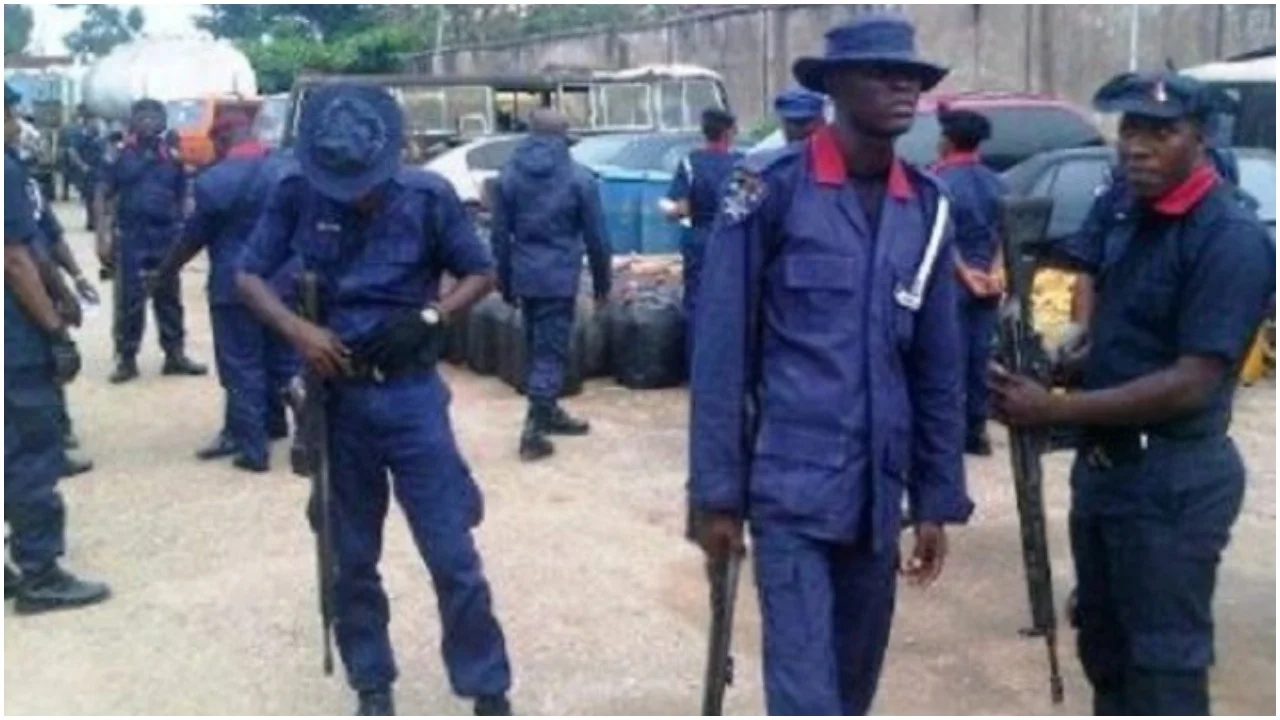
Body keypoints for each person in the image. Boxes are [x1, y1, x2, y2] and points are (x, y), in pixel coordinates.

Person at [688, 14, 972, 715]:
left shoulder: (927, 207)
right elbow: (721, 352)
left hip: (878, 500)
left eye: (911, 76)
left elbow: (938, 366)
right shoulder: (771, 188)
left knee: (851, 691)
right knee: (806, 698)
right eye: (881, 73)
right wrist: (715, 496)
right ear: (836, 87)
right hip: (790, 493)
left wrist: (935, 497)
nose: (902, 87)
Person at [991, 71, 1275, 715]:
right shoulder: (1129, 214)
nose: (1136, 147)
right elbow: (1126, 332)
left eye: (1160, 132)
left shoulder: (1229, 238)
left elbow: (1193, 382)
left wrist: (1057, 409)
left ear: (1199, 138)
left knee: (1163, 670)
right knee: (1106, 650)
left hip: (1173, 482)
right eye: (1129, 130)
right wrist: (1064, 362)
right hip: (1108, 473)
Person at [236, 84, 513, 716]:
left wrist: (435, 318)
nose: (352, 192)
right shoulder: (295, 192)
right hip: (339, 404)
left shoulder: (428, 197)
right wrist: (298, 330)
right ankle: (373, 682)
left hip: (412, 398)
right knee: (351, 557)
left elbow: (481, 271)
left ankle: (487, 686)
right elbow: (248, 276)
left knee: (452, 553)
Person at [4, 83, 110, 613]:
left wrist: (65, 286)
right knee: (30, 454)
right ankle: (39, 573)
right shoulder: (5, 172)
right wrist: (54, 331)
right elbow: (16, 258)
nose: (15, 122)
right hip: (14, 343)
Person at [154, 112, 289, 472]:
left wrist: (167, 271)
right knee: (282, 359)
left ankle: (253, 449)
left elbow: (193, 236)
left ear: (222, 138)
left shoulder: (213, 180)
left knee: (242, 365)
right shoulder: (287, 170)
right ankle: (279, 425)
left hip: (235, 285)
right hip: (283, 284)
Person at [490, 109, 612, 462]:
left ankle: (550, 411)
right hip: (559, 276)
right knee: (551, 351)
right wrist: (603, 284)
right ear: (564, 137)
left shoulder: (509, 176)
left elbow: (499, 235)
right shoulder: (579, 178)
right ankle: (533, 431)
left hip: (525, 274)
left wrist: (506, 280)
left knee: (535, 345)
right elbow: (597, 239)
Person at [96, 99, 207, 384]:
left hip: (166, 235)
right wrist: (102, 236)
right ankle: (126, 359)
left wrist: (184, 228)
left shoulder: (172, 155)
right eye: (141, 115)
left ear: (163, 122)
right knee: (129, 300)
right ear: (132, 121)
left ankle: (175, 355)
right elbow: (102, 194)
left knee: (169, 297)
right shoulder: (119, 154)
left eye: (154, 115)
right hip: (132, 236)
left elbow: (184, 195)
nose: (148, 120)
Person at [932, 108, 1007, 456]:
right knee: (980, 356)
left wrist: (965, 275)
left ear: (947, 141)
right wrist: (993, 273)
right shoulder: (999, 183)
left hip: (952, 283)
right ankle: (977, 430)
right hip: (989, 284)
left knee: (948, 357)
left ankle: (950, 432)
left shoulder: (938, 183)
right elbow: (1008, 234)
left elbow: (940, 239)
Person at [662, 108, 742, 365]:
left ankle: (696, 365)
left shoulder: (689, 162)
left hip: (697, 238)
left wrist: (668, 211)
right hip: (731, 240)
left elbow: (682, 209)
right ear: (728, 133)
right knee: (731, 301)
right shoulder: (743, 164)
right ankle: (727, 363)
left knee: (696, 301)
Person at [65, 106, 105, 232]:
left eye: (97, 120)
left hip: (101, 170)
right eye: (93, 120)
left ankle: (97, 221)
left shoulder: (102, 135)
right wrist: (82, 166)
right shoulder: (80, 135)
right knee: (89, 197)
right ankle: (91, 221)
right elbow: (72, 151)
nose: (96, 123)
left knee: (100, 196)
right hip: (89, 171)